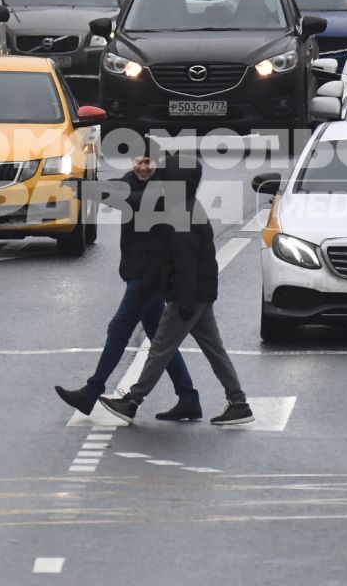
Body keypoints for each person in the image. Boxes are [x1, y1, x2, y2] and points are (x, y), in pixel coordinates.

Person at [94, 155, 252, 427]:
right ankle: (238, 403)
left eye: (165, 177)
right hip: (199, 294)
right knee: (214, 350)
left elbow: (186, 262)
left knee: (160, 349)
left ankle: (132, 401)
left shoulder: (182, 215)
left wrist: (185, 301)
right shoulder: (187, 205)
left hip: (186, 296)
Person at [55, 152, 201, 421]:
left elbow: (132, 200)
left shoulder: (163, 190)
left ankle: (92, 390)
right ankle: (188, 397)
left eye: (149, 162)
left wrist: (86, 190)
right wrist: (84, 185)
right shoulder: (132, 180)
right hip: (140, 271)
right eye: (138, 161)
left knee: (119, 327)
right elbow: (117, 190)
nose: (143, 167)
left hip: (150, 276)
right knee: (161, 340)